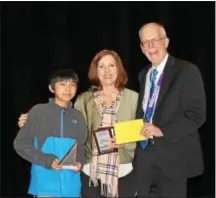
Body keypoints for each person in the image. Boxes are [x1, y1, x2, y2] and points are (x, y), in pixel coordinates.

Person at [18, 49, 138, 197]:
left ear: (119, 68)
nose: (107, 71)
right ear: (95, 71)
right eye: (101, 66)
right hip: (90, 173)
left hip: (123, 171)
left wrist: (124, 142)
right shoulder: (84, 99)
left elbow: (143, 131)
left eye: (111, 65)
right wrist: (29, 120)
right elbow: (72, 129)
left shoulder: (134, 98)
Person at [134, 22, 206, 198]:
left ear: (166, 42)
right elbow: (144, 113)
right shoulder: (144, 74)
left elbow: (197, 115)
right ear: (142, 48)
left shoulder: (187, 71)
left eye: (155, 40)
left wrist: (162, 130)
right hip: (144, 160)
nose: (150, 47)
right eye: (145, 43)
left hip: (172, 160)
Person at [14, 68, 87, 197]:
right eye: (62, 84)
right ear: (51, 88)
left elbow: (81, 147)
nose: (68, 88)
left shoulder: (79, 117)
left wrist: (79, 163)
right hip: (45, 187)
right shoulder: (38, 112)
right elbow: (21, 144)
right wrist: (46, 160)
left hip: (72, 188)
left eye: (72, 85)